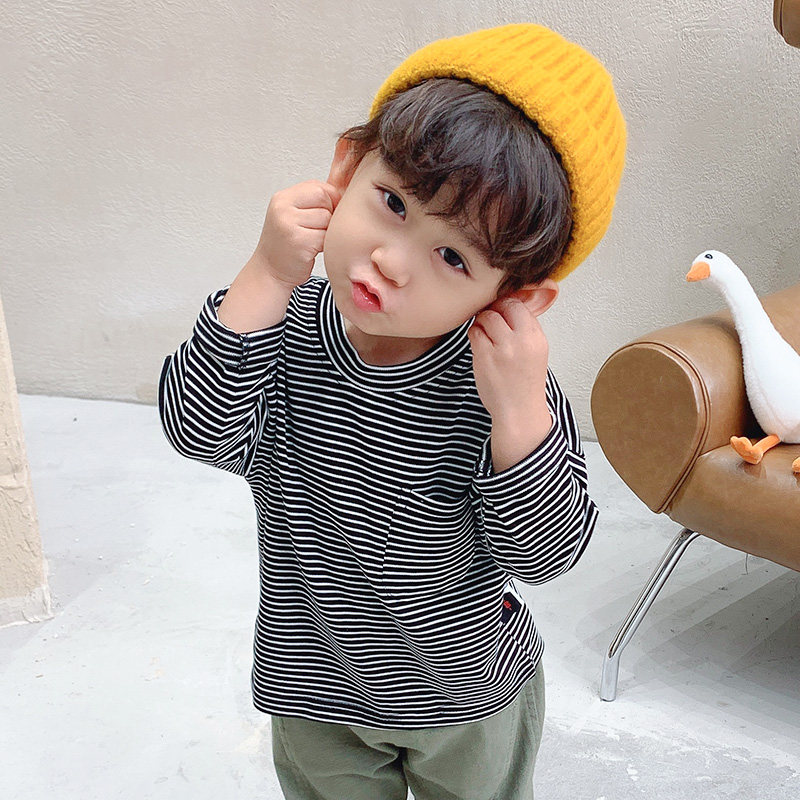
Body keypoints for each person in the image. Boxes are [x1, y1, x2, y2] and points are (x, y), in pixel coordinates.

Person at [158, 22, 626, 800]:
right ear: (347, 165)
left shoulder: (501, 388)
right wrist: (266, 274)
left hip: (467, 703)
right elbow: (197, 429)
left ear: (514, 297)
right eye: (394, 203)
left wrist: (518, 418)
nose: (392, 261)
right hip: (314, 685)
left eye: (453, 257)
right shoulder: (278, 328)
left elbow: (544, 557)